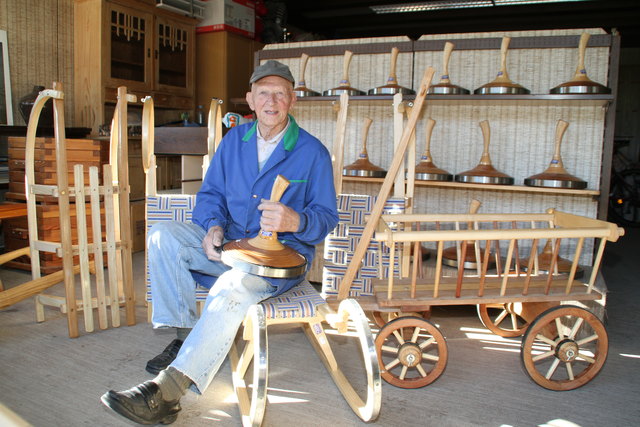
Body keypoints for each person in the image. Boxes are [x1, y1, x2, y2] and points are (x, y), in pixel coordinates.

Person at [101, 60, 339, 425]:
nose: (271, 101)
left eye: (279, 93)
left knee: (232, 285)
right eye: (263, 93)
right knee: (162, 235)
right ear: (250, 98)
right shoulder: (234, 142)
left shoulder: (313, 152)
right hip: (230, 247)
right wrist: (212, 227)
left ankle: (168, 393)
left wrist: (297, 220)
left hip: (279, 262)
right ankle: (185, 338)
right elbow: (210, 194)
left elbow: (326, 219)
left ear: (292, 99)